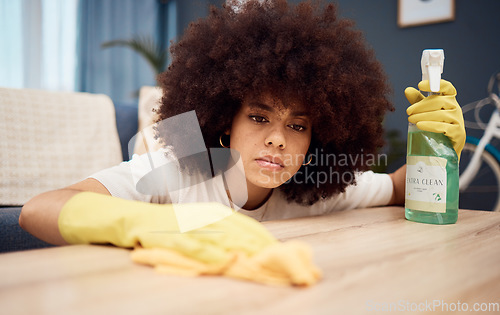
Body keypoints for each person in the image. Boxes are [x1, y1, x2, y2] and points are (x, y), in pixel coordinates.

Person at [19, 0, 464, 255]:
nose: (276, 138)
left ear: (318, 139)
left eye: (298, 125)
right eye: (259, 117)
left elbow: (400, 188)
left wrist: (442, 148)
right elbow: (38, 210)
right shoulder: (176, 174)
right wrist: (152, 225)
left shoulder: (313, 189)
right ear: (224, 123)